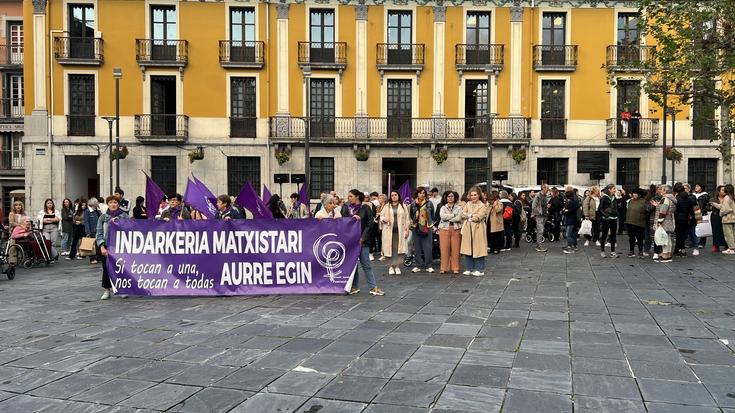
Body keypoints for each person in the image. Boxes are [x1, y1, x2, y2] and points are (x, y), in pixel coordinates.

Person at [344, 189, 384, 296]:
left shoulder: (365, 208)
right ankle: (354, 286)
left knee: (366, 263)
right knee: (353, 265)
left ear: (357, 197)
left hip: (363, 241)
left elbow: (370, 224)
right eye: (348, 197)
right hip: (350, 241)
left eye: (351, 196)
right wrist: (351, 219)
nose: (349, 198)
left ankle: (373, 287)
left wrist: (363, 238)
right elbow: (343, 222)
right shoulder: (346, 208)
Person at [97, 195, 129, 300]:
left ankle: (121, 289)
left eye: (115, 202)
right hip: (107, 245)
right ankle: (107, 290)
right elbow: (99, 233)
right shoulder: (103, 217)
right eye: (110, 202)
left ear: (118, 204)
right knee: (106, 269)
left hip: (120, 246)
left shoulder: (124, 216)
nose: (113, 204)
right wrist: (102, 247)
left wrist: (119, 224)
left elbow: (130, 230)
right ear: (108, 204)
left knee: (120, 268)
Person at [380, 190, 409, 275]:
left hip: (400, 232)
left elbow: (407, 219)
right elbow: (381, 216)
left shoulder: (403, 206)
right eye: (392, 195)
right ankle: (390, 267)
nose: (394, 196)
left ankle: (397, 266)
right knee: (390, 249)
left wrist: (407, 230)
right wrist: (384, 219)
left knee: (399, 250)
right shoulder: (386, 206)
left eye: (395, 195)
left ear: (398, 196)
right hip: (389, 231)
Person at [460, 186, 487, 276]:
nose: (473, 197)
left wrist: (470, 216)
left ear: (479, 195)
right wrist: (471, 216)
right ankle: (469, 268)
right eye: (471, 195)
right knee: (468, 249)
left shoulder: (482, 205)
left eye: (475, 195)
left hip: (478, 229)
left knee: (479, 249)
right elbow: (462, 214)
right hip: (468, 229)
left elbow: (479, 217)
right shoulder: (468, 204)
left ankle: (480, 269)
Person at [409, 187, 435, 273]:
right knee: (417, 247)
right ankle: (418, 265)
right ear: (417, 194)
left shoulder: (429, 203)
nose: (422, 194)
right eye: (420, 193)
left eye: (423, 193)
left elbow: (432, 215)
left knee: (428, 247)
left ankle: (429, 265)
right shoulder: (413, 204)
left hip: (427, 227)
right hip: (416, 227)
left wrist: (428, 223)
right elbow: (411, 215)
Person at [438, 191, 462, 275]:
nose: (450, 198)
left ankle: (456, 268)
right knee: (444, 249)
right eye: (448, 196)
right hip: (444, 229)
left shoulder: (459, 208)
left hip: (456, 229)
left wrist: (449, 218)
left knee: (456, 249)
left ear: (455, 198)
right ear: (446, 198)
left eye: (452, 196)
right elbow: (442, 217)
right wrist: (453, 215)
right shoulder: (443, 207)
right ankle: (443, 268)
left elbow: (459, 218)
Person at [711, 184, 735, 254]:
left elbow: (725, 209)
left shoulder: (727, 197)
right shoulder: (732, 196)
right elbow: (723, 206)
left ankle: (731, 248)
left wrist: (720, 214)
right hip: (732, 218)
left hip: (727, 219)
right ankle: (732, 248)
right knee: (732, 234)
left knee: (728, 234)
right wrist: (714, 204)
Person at [656, 184, 677, 262]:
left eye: (661, 189)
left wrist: (659, 221)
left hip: (665, 220)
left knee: (664, 237)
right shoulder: (672, 198)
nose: (660, 191)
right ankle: (668, 253)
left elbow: (663, 210)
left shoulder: (665, 199)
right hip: (670, 219)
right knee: (668, 237)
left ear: (665, 191)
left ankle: (665, 255)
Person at [673, 182, 695, 256]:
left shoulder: (677, 199)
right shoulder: (688, 198)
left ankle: (680, 249)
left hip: (678, 218)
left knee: (679, 235)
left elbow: (674, 209)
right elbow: (691, 210)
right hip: (685, 218)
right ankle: (680, 249)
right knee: (682, 234)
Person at [598, 184, 619, 258]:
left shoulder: (614, 197)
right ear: (609, 189)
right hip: (606, 219)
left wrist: (617, 213)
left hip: (614, 218)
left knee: (613, 235)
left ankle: (613, 252)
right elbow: (600, 209)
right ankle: (602, 251)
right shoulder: (604, 198)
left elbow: (616, 207)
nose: (615, 190)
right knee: (604, 235)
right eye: (614, 188)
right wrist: (606, 216)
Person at [625, 189, 647, 257]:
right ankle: (631, 251)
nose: (634, 195)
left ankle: (640, 251)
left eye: (636, 193)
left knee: (639, 238)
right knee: (631, 237)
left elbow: (647, 211)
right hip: (630, 222)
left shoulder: (643, 202)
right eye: (633, 193)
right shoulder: (630, 201)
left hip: (639, 223)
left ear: (639, 194)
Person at [531, 184, 550, 252]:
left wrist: (547, 206)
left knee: (540, 231)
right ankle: (539, 246)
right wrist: (538, 213)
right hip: (539, 216)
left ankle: (538, 245)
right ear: (543, 188)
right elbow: (533, 206)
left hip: (544, 216)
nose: (548, 189)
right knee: (540, 230)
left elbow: (543, 205)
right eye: (547, 188)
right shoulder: (538, 195)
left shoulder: (545, 196)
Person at [710, 185, 728, 252]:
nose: (724, 191)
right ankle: (715, 245)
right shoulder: (714, 199)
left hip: (725, 216)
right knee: (715, 231)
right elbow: (709, 208)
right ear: (718, 191)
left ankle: (726, 245)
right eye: (723, 190)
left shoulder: (727, 198)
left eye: (725, 190)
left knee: (725, 231)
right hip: (715, 216)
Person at [84, 198, 102, 264]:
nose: (98, 204)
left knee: (98, 245)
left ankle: (98, 257)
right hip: (92, 231)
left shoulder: (97, 211)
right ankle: (92, 258)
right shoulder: (87, 211)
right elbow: (86, 222)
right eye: (97, 203)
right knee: (91, 245)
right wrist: (87, 232)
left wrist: (99, 210)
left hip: (98, 230)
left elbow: (102, 218)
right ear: (93, 204)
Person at [693, 183, 710, 250]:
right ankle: (694, 241)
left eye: (697, 186)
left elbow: (704, 205)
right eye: (695, 186)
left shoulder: (705, 195)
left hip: (702, 212)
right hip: (694, 212)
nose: (696, 187)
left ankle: (702, 243)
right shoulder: (693, 194)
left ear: (701, 187)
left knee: (703, 227)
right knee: (694, 227)